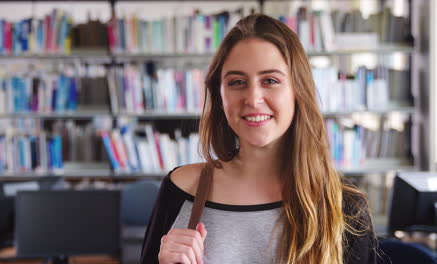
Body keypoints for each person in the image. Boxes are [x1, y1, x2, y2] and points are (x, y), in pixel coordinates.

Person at [141, 14, 377, 264]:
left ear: (298, 91)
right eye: (237, 82)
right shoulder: (181, 188)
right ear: (220, 96)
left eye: (271, 81)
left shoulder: (343, 205)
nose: (253, 99)